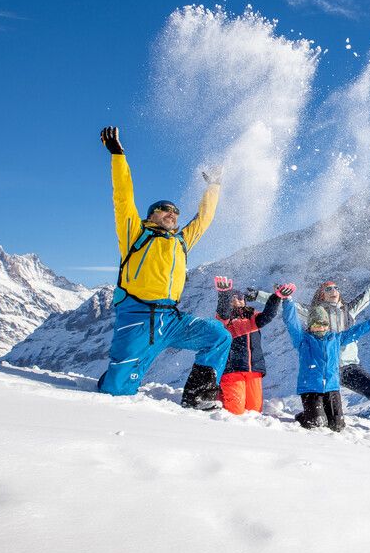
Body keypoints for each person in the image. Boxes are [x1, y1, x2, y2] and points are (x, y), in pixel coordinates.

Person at [95, 126, 231, 409]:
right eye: (164, 209)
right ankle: (115, 375)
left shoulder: (181, 242)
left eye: (175, 211)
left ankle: (198, 396)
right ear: (151, 215)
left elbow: (203, 219)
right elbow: (123, 199)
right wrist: (118, 156)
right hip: (138, 315)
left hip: (171, 318)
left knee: (218, 336)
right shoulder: (135, 233)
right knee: (115, 392)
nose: (172, 213)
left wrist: (214, 185)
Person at [306, 269, 370, 435]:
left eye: (336, 288)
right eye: (328, 289)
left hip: (349, 368)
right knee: (323, 419)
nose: (334, 291)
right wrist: (265, 295)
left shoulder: (348, 311)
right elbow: (287, 304)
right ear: (321, 295)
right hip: (326, 369)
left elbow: (368, 295)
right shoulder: (313, 313)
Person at [282, 295, 370, 432]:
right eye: (317, 325)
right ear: (310, 325)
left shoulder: (335, 339)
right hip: (311, 388)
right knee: (317, 424)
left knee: (337, 426)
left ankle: (312, 413)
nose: (321, 328)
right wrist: (287, 301)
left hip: (331, 387)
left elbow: (357, 331)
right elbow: (291, 322)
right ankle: (305, 416)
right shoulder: (303, 340)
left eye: (324, 324)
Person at [213, 276, 295, 415]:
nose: (237, 300)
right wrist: (224, 294)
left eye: (240, 297)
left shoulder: (253, 317)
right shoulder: (225, 319)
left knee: (254, 411)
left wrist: (276, 297)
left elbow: (268, 315)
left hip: (253, 370)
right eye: (233, 298)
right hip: (232, 369)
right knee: (234, 410)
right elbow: (223, 312)